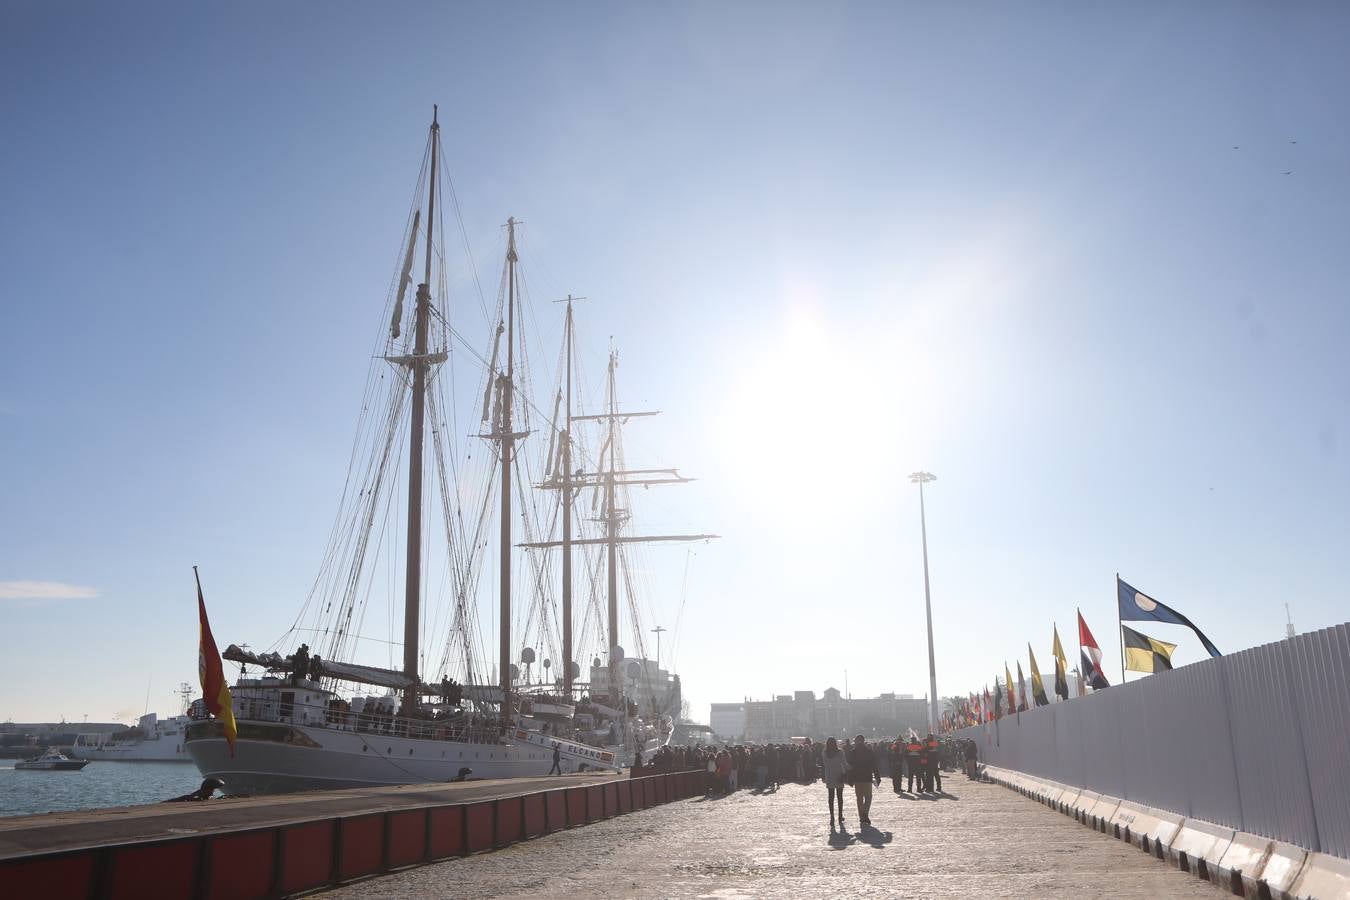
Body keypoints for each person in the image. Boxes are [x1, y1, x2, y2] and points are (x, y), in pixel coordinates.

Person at [845, 734, 880, 827]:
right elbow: (874, 765)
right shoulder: (869, 751)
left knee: (859, 798)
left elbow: (849, 767)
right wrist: (877, 776)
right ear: (863, 741)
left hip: (857, 778)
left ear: (856, 741)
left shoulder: (852, 752)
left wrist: (849, 778)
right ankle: (865, 813)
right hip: (867, 777)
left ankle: (861, 816)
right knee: (868, 797)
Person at [821, 737, 848, 831]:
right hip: (839, 775)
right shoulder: (840, 752)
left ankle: (832, 817)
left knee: (830, 797)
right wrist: (851, 769)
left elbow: (825, 764)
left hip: (829, 776)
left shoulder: (824, 753)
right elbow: (844, 764)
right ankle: (840, 816)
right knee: (840, 797)